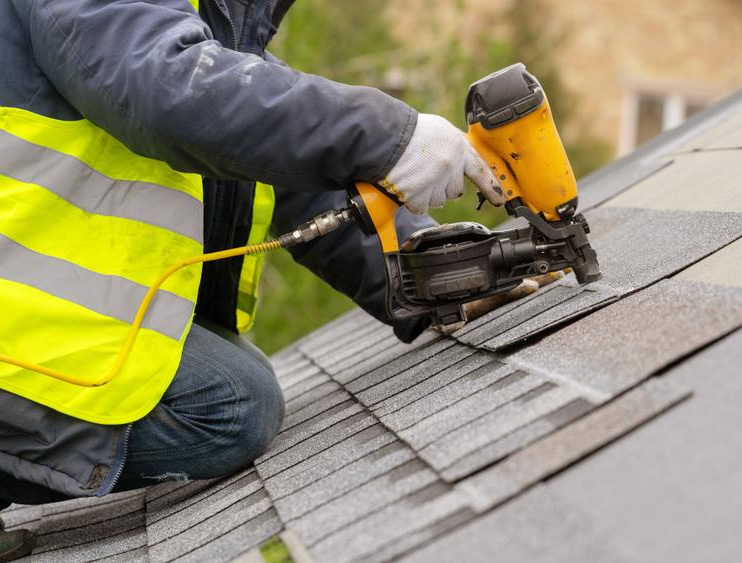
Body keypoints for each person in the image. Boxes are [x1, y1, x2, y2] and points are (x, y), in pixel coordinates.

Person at [0, 0, 506, 558]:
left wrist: (431, 271)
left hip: (32, 313)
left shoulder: (215, 19)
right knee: (229, 405)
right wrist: (388, 136)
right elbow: (172, 91)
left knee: (233, 386)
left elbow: (284, 165)